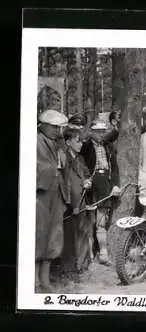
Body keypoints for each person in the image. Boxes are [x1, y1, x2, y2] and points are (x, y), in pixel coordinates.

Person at [36, 109, 70, 292]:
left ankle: (45, 279)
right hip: (40, 193)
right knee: (38, 233)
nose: (59, 131)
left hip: (56, 193)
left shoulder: (60, 145)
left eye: (60, 128)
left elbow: (64, 169)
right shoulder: (34, 141)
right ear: (45, 126)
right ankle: (34, 280)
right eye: (56, 128)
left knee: (53, 236)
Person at [80, 120, 120, 265]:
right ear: (91, 132)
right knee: (89, 221)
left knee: (101, 221)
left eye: (103, 131)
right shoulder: (85, 146)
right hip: (90, 183)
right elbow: (81, 164)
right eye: (97, 131)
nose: (101, 134)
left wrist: (115, 185)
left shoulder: (108, 146)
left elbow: (115, 168)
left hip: (105, 183)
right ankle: (89, 255)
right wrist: (85, 179)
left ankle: (103, 254)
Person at [60, 128, 94, 275]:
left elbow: (86, 173)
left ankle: (81, 265)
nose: (80, 144)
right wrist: (69, 202)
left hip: (81, 200)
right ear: (68, 142)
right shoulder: (63, 157)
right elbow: (63, 181)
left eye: (81, 141)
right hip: (69, 201)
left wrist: (87, 181)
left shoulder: (80, 158)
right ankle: (68, 267)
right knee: (68, 234)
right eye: (77, 141)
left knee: (82, 232)